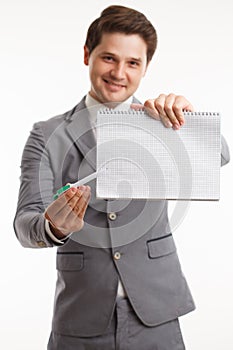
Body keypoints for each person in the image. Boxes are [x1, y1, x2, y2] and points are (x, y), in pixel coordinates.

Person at [14, 5, 230, 350]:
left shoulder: (162, 125)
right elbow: (24, 224)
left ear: (145, 68)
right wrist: (54, 227)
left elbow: (220, 156)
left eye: (133, 63)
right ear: (87, 54)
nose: (119, 73)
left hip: (156, 313)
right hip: (80, 316)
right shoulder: (47, 134)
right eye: (109, 58)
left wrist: (187, 123)